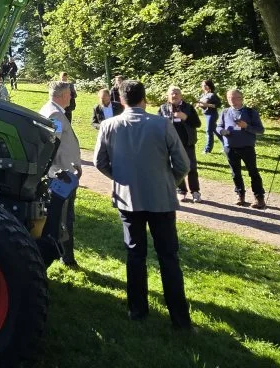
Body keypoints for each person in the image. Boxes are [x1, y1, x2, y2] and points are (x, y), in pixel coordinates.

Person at [93, 80, 192, 329]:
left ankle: (137, 311)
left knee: (135, 254)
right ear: (143, 99)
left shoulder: (108, 125)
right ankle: (179, 318)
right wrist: (170, 181)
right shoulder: (162, 124)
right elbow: (183, 164)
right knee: (168, 257)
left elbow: (99, 162)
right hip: (161, 198)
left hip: (128, 199)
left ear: (122, 100)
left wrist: (121, 178)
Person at [39, 82, 81, 267]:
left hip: (61, 172)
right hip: (60, 175)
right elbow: (51, 144)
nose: (71, 98)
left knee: (63, 216)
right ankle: (66, 257)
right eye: (70, 95)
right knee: (64, 218)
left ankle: (62, 254)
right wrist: (59, 170)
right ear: (62, 95)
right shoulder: (55, 113)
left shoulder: (53, 110)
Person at [217, 89, 267, 209]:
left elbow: (260, 130)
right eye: (229, 98)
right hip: (230, 147)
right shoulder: (224, 112)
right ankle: (240, 195)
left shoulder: (250, 112)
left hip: (247, 147)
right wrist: (222, 131)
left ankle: (259, 198)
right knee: (235, 173)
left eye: (234, 98)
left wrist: (247, 127)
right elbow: (218, 126)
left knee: (253, 172)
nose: (232, 100)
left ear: (241, 98)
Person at [159, 86, 202, 203]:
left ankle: (195, 191)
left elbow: (197, 124)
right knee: (175, 167)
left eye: (177, 93)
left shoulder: (188, 107)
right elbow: (158, 125)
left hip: (187, 142)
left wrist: (186, 117)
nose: (174, 95)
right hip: (171, 143)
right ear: (168, 96)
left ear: (181, 95)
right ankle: (181, 190)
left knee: (191, 167)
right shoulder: (163, 108)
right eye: (172, 94)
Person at [195, 80, 223, 154]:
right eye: (202, 85)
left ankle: (207, 150)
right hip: (206, 114)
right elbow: (201, 103)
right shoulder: (203, 94)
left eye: (205, 85)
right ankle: (226, 144)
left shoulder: (212, 95)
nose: (203, 87)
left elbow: (218, 105)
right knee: (215, 130)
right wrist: (198, 105)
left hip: (212, 115)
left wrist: (207, 105)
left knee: (208, 131)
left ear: (209, 86)